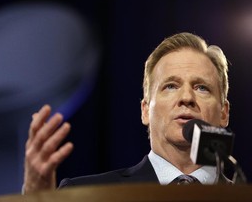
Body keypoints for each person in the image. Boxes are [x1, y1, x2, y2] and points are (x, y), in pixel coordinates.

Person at [23, 32, 230, 193]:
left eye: (202, 87)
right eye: (171, 86)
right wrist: (37, 198)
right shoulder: (84, 195)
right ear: (145, 110)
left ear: (224, 113)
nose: (187, 97)